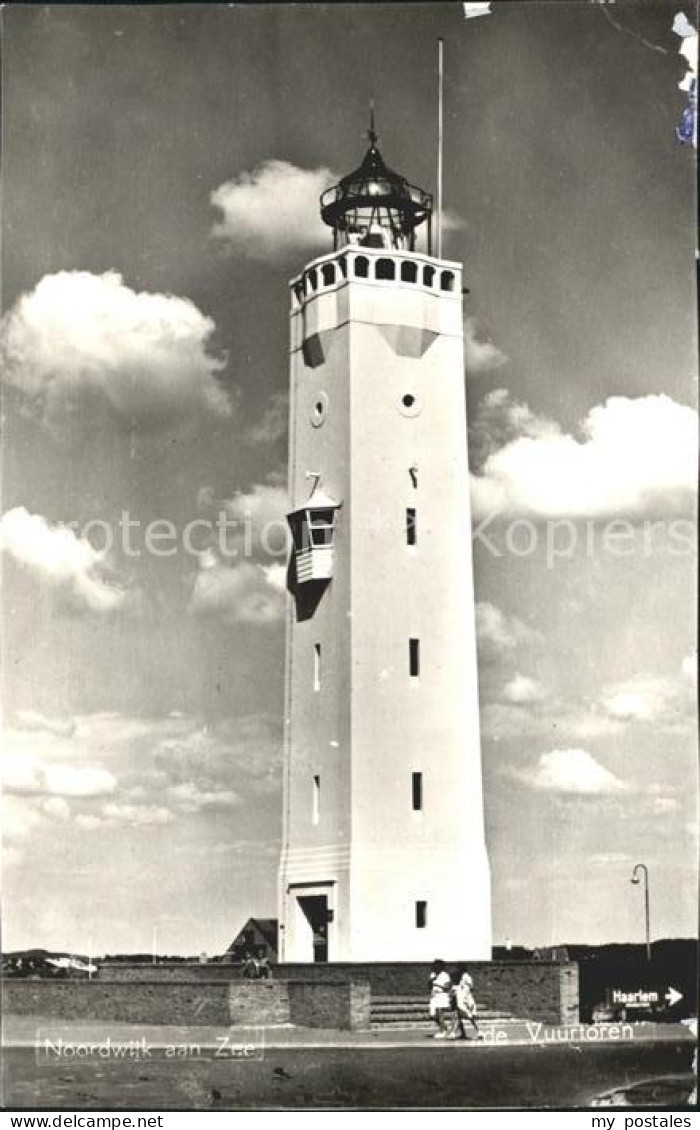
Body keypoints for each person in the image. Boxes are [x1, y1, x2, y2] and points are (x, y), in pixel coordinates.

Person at [450, 966, 482, 1041]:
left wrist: (468, 1006)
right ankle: (455, 1033)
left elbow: (469, 990)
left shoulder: (465, 981)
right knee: (458, 1018)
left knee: (469, 1018)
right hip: (461, 1003)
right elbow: (453, 993)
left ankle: (479, 1031)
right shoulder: (457, 986)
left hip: (465, 1004)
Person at [429, 959, 453, 1039]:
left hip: (442, 995)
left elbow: (447, 986)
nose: (435, 967)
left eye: (437, 966)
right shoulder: (432, 975)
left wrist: (438, 985)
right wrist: (431, 980)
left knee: (440, 1013)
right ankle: (445, 1027)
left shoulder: (445, 975)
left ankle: (442, 1031)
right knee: (432, 1015)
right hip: (434, 996)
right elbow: (429, 986)